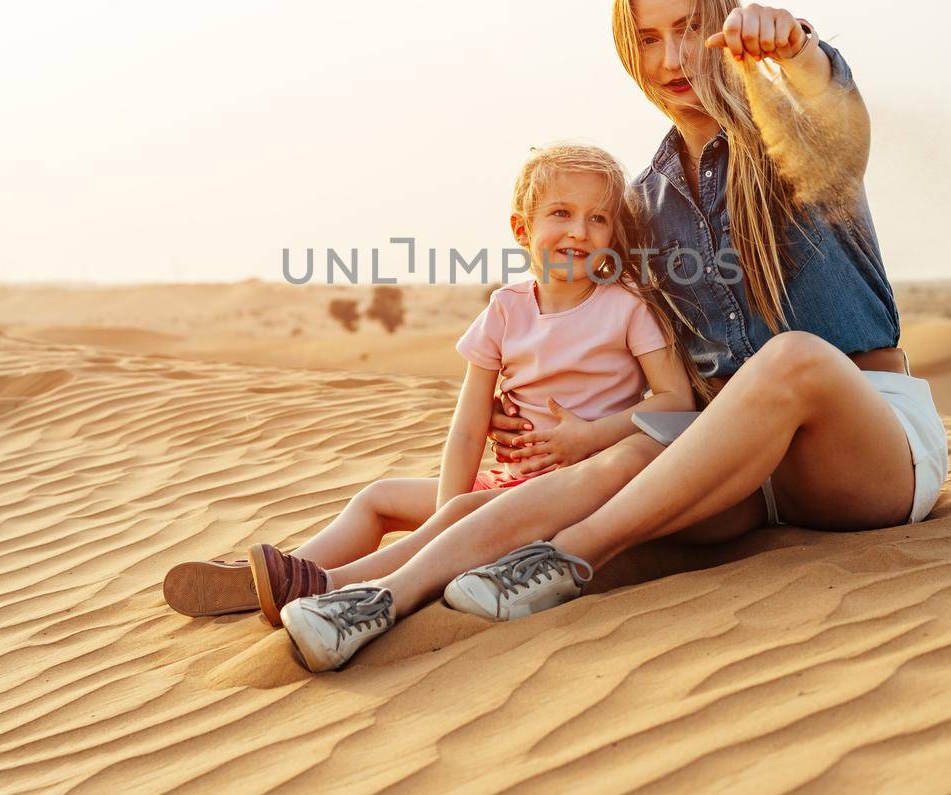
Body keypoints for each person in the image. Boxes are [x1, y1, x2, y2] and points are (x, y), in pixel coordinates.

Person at [279, 0, 950, 671]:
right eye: (650, 38)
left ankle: (567, 559)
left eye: (691, 28)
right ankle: (362, 593)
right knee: (607, 467)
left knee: (792, 360)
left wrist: (797, 50)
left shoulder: (794, 137)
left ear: (726, 24)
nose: (672, 59)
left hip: (864, 449)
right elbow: (614, 339)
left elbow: (840, 122)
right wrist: (536, 403)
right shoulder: (644, 203)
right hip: (739, 471)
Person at [162, 142, 696, 628]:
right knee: (380, 499)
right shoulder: (505, 310)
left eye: (597, 218)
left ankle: (339, 587)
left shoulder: (626, 306)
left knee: (463, 516)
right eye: (561, 213)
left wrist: (588, 437)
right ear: (521, 229)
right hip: (503, 483)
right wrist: (443, 511)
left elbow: (677, 403)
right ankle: (290, 571)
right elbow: (467, 428)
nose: (579, 230)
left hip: (576, 493)